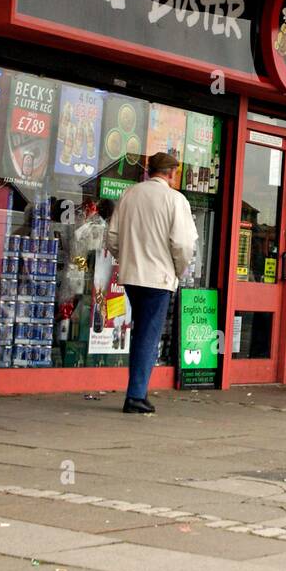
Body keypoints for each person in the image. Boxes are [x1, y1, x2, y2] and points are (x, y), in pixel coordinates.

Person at [105, 152, 198, 414]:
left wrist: (126, 258)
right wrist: (178, 270)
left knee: (141, 331)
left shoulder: (130, 195)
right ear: (171, 173)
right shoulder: (175, 199)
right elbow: (182, 243)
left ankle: (137, 390)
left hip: (132, 275)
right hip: (159, 277)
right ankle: (135, 395)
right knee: (148, 333)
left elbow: (112, 237)